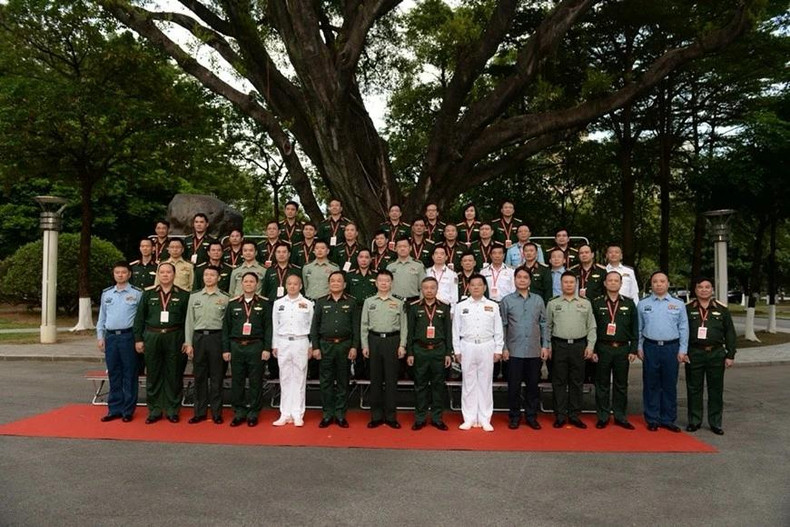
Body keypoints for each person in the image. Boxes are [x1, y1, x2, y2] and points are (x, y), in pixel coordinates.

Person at [133, 262, 191, 424]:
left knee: (174, 374)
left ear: (174, 275)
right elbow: (139, 319)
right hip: (153, 336)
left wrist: (187, 340)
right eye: (162, 272)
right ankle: (155, 410)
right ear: (158, 274)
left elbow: (188, 320)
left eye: (168, 272)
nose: (165, 275)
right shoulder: (148, 294)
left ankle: (173, 409)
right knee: (154, 374)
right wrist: (138, 339)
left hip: (175, 336)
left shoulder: (184, 295)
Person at [637, 271, 689, 432]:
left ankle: (668, 419)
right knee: (651, 384)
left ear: (668, 283)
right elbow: (639, 328)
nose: (658, 284)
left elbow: (684, 327)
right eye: (655, 282)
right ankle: (652, 418)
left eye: (662, 281)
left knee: (669, 384)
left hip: (671, 348)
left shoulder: (678, 304)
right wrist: (639, 347)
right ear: (651, 285)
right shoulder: (643, 304)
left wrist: (683, 350)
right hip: (650, 347)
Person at [685, 277, 737, 435]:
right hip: (694, 353)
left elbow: (730, 333)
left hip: (716, 353)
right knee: (694, 388)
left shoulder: (722, 309)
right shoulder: (687, 309)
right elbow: (682, 331)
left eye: (707, 287)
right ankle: (694, 420)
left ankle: (715, 422)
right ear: (695, 290)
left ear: (712, 289)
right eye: (700, 287)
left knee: (715, 389)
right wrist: (683, 351)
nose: (704, 290)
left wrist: (730, 354)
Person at [546, 271, 596, 429]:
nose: (568, 285)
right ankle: (560, 415)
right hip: (558, 346)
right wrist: (547, 346)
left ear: (576, 284)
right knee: (558, 381)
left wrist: (590, 346)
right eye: (565, 282)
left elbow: (591, 326)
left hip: (579, 346)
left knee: (576, 381)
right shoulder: (553, 303)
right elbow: (547, 326)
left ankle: (574, 415)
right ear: (560, 284)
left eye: (571, 282)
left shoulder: (585, 303)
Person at [453, 274, 503, 431]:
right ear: (468, 287)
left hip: (487, 345)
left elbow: (498, 329)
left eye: (479, 285)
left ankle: (485, 418)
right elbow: (455, 329)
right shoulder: (461, 306)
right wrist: (457, 350)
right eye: (473, 285)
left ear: (484, 287)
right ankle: (469, 418)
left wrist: (498, 349)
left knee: (485, 383)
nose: (476, 287)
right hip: (467, 345)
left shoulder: (493, 306)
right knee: (468, 383)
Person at [500, 268, 548, 430]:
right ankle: (514, 416)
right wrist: (504, 347)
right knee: (514, 386)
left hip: (534, 350)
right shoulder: (507, 301)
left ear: (530, 280)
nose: (522, 280)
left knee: (533, 386)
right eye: (519, 277)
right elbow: (503, 325)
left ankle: (531, 416)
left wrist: (545, 346)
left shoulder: (538, 300)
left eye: (525, 277)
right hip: (514, 350)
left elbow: (543, 324)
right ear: (514, 280)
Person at [222, 272, 273, 427]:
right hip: (236, 346)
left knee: (255, 381)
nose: (249, 284)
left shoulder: (264, 304)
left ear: (257, 284)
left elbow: (268, 328)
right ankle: (239, 412)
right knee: (237, 381)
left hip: (256, 346)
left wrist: (266, 348)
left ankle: (253, 412)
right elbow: (226, 328)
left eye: (252, 281)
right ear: (241, 284)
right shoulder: (233, 303)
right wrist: (226, 349)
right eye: (246, 281)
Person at [311, 271, 360, 428]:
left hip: (344, 346)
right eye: (332, 280)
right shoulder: (320, 302)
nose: (336, 283)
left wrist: (354, 346)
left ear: (344, 284)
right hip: (325, 345)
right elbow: (314, 327)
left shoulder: (352, 302)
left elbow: (355, 328)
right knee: (325, 381)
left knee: (342, 381)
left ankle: (340, 414)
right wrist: (316, 347)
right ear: (329, 283)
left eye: (339, 281)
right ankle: (327, 414)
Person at [591, 271, 639, 429]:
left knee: (621, 384)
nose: (612, 283)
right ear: (604, 283)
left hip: (622, 349)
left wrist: (633, 350)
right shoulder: (596, 303)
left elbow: (635, 329)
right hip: (603, 348)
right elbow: (592, 328)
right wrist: (594, 350)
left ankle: (620, 416)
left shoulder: (629, 303)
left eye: (616, 280)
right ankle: (603, 416)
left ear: (620, 283)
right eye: (609, 280)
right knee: (602, 384)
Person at [360, 270, 408, 429]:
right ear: (376, 283)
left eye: (387, 280)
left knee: (391, 380)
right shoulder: (369, 301)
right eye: (381, 280)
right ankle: (376, 416)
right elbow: (364, 325)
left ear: (391, 283)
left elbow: (404, 326)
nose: (384, 283)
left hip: (392, 341)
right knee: (375, 380)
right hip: (374, 341)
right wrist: (365, 345)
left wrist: (402, 345)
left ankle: (391, 416)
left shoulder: (399, 302)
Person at [96, 261, 142, 422]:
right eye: (117, 272)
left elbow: (140, 319)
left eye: (124, 272)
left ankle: (128, 410)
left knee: (129, 374)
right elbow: (102, 316)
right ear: (114, 274)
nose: (120, 275)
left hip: (128, 337)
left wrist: (139, 339)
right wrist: (100, 336)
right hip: (111, 337)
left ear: (129, 274)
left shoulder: (137, 293)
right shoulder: (107, 294)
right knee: (114, 373)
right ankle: (114, 408)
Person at [184, 265, 230, 425]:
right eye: (206, 275)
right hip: (199, 339)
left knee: (217, 377)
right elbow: (189, 321)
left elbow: (227, 325)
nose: (209, 277)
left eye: (212, 275)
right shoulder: (194, 297)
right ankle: (200, 412)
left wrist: (226, 346)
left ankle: (217, 412)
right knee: (200, 377)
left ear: (218, 278)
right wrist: (188, 343)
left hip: (216, 338)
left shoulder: (225, 298)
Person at [407, 278, 453, 431]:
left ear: (437, 289)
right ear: (421, 289)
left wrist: (448, 353)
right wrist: (410, 353)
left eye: (432, 287)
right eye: (426, 287)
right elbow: (410, 332)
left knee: (438, 385)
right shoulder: (414, 308)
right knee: (420, 385)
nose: (429, 290)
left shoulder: (444, 308)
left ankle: (437, 418)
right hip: (420, 350)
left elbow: (448, 332)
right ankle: (420, 418)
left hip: (439, 351)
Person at [271, 274, 314, 427]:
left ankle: (297, 413)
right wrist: (274, 344)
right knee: (285, 378)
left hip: (301, 341)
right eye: (289, 283)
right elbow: (275, 325)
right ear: (285, 285)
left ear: (300, 286)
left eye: (296, 284)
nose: (292, 286)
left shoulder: (307, 304)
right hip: (283, 341)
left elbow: (312, 327)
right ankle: (284, 413)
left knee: (299, 378)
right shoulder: (278, 303)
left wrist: (311, 345)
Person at [345, 249, 378, 379]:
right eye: (361, 257)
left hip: (372, 312)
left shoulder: (376, 275)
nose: (364, 260)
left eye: (367, 257)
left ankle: (370, 373)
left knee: (370, 339)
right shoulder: (349, 275)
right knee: (356, 340)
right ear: (357, 259)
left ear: (371, 259)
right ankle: (357, 373)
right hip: (355, 312)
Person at [387, 237, 426, 302]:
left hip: (413, 302)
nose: (402, 249)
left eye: (405, 246)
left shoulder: (419, 265)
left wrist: (421, 303)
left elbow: (423, 287)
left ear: (410, 248)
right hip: (394, 302)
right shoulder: (390, 267)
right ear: (395, 249)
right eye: (399, 247)